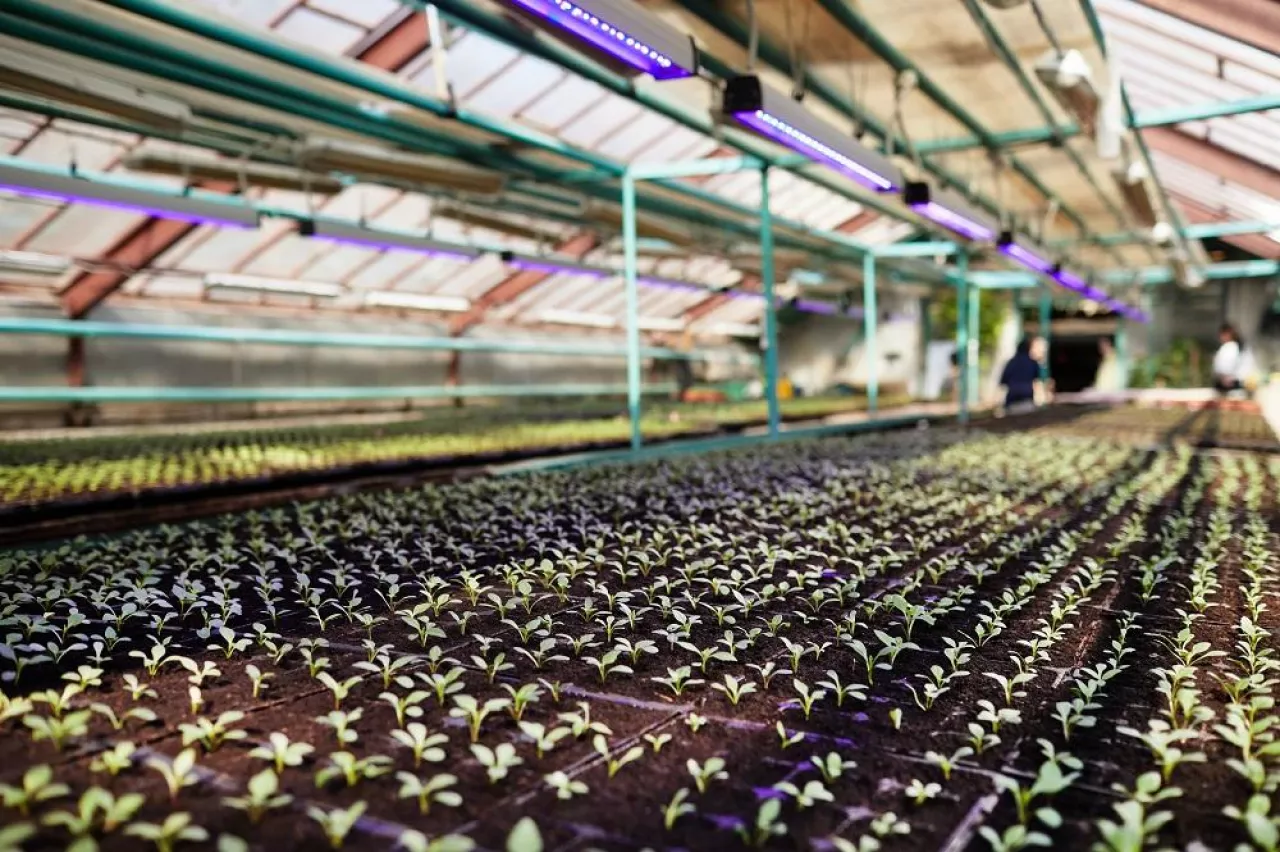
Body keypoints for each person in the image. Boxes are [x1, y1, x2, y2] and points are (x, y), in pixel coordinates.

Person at [1000, 337, 1044, 414]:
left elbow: (1003, 381)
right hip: (1027, 399)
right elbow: (1038, 379)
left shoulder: (1011, 362)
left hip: (1011, 400)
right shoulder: (1032, 363)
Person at [1212, 324, 1247, 393]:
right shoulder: (1229, 346)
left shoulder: (1231, 347)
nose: (1221, 337)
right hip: (1225, 382)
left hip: (1227, 383)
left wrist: (1225, 378)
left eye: (1222, 334)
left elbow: (1226, 367)